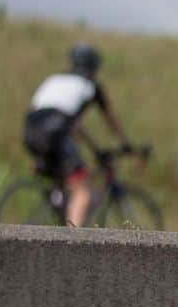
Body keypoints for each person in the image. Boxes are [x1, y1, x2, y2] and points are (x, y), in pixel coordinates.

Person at [22, 44, 132, 227]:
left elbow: (70, 123)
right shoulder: (90, 86)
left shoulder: (55, 79)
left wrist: (91, 145)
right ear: (94, 67)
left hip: (31, 130)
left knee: (65, 181)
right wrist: (126, 144)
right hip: (54, 134)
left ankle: (57, 209)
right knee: (82, 191)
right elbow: (110, 120)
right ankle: (72, 243)